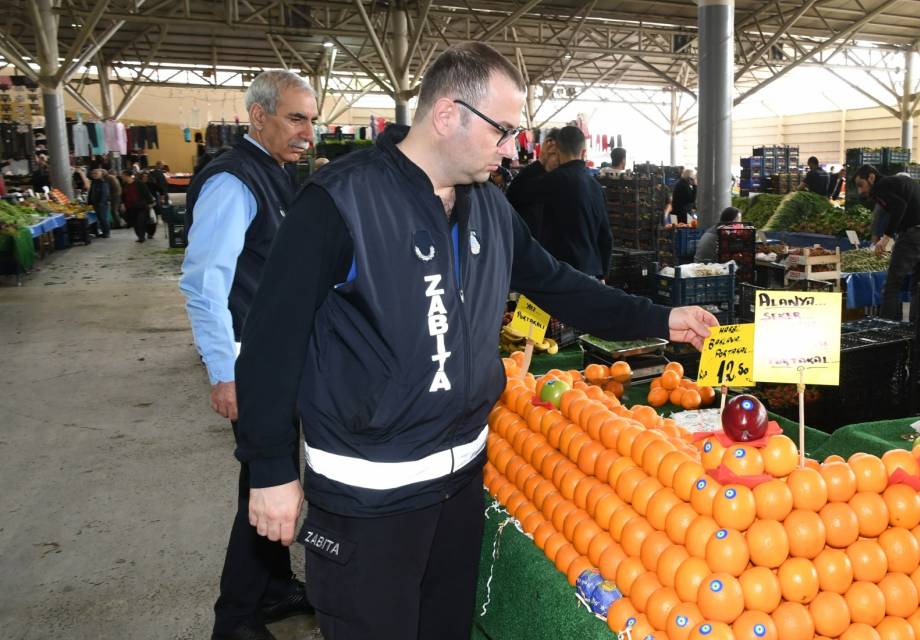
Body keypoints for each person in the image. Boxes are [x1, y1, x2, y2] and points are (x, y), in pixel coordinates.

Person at [232, 42, 717, 639]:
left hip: (461, 483)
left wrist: (661, 319)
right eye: (503, 131)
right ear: (446, 115)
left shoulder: (489, 206)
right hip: (371, 497)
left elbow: (558, 285)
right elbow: (270, 340)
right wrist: (270, 468)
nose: (513, 149)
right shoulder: (342, 202)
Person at [178, 69, 318, 640]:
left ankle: (274, 586)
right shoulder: (233, 183)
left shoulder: (275, 173)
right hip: (250, 361)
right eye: (295, 118)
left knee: (272, 476)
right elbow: (204, 283)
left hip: (275, 356)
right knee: (265, 484)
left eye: (311, 118)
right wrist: (224, 372)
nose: (308, 131)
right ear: (258, 117)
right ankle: (236, 617)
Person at [854, 164, 920, 321]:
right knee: (919, 285)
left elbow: (899, 207)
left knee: (892, 285)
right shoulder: (899, 183)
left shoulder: (881, 186)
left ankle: (886, 329)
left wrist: (885, 237)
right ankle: (916, 328)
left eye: (861, 185)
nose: (861, 191)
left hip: (914, 234)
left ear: (871, 178)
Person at [539, 125, 613, 279]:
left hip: (559, 272)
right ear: (584, 152)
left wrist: (541, 162)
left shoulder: (550, 181)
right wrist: (603, 273)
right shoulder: (596, 187)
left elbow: (516, 196)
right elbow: (605, 236)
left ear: (557, 151)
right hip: (590, 272)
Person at [505, 128, 559, 241]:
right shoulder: (529, 176)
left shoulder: (564, 178)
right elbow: (512, 197)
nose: (557, 159)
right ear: (547, 145)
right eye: (554, 153)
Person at [120, 170, 156, 242]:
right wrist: (122, 204)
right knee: (135, 222)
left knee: (141, 221)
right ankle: (140, 235)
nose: (122, 177)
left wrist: (151, 203)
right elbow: (123, 196)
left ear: (127, 176)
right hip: (130, 207)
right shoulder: (124, 185)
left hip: (142, 206)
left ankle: (142, 237)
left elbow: (146, 193)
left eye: (123, 176)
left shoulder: (139, 183)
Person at [87, 168, 111, 238]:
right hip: (95, 204)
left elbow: (104, 194)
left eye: (96, 173)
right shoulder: (94, 182)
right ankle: (101, 232)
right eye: (93, 173)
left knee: (103, 219)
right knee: (99, 219)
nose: (94, 175)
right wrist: (89, 202)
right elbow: (91, 192)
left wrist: (101, 203)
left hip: (102, 205)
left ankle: (106, 233)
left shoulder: (103, 182)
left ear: (100, 174)